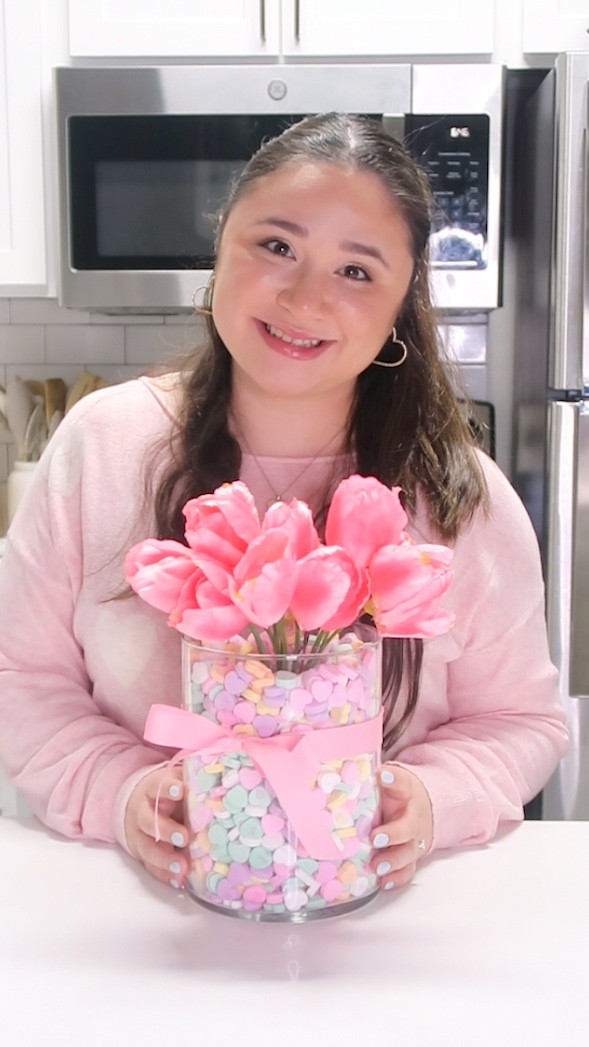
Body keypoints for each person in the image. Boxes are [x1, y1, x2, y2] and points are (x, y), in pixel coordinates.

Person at [0, 113, 568, 898]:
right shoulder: (102, 446)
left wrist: (431, 798)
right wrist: (120, 791)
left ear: (400, 306)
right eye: (276, 247)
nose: (304, 298)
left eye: (356, 270)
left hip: (378, 919)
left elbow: (522, 721)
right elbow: (20, 676)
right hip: (131, 910)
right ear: (220, 247)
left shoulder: (457, 495)